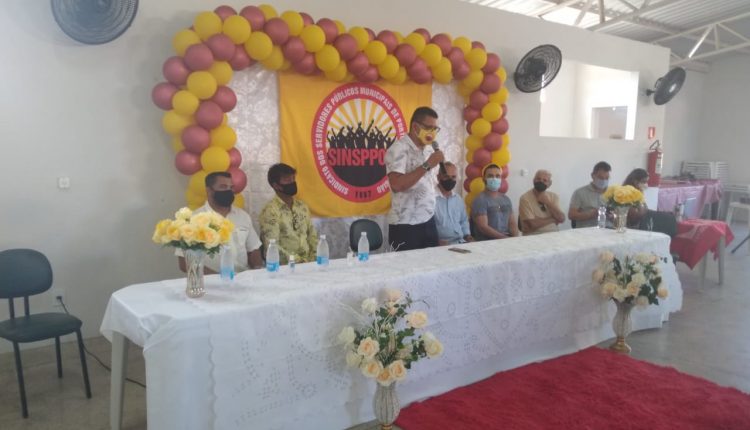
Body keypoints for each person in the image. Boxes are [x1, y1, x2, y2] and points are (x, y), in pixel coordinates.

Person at [177, 171, 263, 273]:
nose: (228, 191)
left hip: (242, 278)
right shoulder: (194, 219)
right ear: (209, 190)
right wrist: (218, 278)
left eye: (231, 187)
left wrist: (257, 272)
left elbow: (253, 249)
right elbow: (184, 262)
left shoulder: (243, 216)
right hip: (211, 279)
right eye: (223, 187)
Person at [385, 106, 445, 251]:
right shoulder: (399, 149)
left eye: (435, 129)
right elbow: (397, 185)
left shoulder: (428, 149)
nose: (432, 133)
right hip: (405, 225)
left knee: (431, 264)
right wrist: (427, 164)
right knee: (407, 265)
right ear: (415, 127)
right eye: (428, 128)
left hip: (428, 219)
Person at [259, 163, 318, 264]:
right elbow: (272, 246)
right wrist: (298, 261)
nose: (292, 182)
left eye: (293, 178)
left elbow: (312, 236)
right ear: (276, 185)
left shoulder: (302, 207)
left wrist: (314, 258)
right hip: (285, 267)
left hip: (309, 264)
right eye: (287, 179)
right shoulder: (270, 211)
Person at [471, 164, 519, 240]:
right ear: (484, 179)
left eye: (497, 176)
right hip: (488, 242)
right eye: (490, 176)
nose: (494, 179)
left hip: (507, 240)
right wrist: (504, 239)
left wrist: (515, 239)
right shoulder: (480, 200)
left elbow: (512, 223)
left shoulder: (506, 199)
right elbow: (483, 227)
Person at [434, 162, 473, 245]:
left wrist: (467, 236)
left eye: (453, 177)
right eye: (446, 176)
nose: (450, 180)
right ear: (438, 177)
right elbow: (425, 228)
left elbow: (464, 221)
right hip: (440, 245)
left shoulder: (458, 199)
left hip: (461, 242)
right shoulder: (430, 199)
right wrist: (435, 242)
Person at [518, 169, 565, 235]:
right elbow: (532, 224)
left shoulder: (554, 196)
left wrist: (548, 202)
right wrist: (553, 219)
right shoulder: (525, 198)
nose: (541, 182)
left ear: (549, 184)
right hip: (534, 236)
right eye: (538, 179)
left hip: (554, 234)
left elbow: (561, 218)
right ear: (533, 180)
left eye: (544, 180)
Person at [569, 161, 611, 228]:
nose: (604, 181)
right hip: (587, 229)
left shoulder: (613, 193)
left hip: (608, 229)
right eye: (601, 178)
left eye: (607, 178)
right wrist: (591, 214)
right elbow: (571, 215)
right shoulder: (580, 193)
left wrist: (613, 215)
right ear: (592, 176)